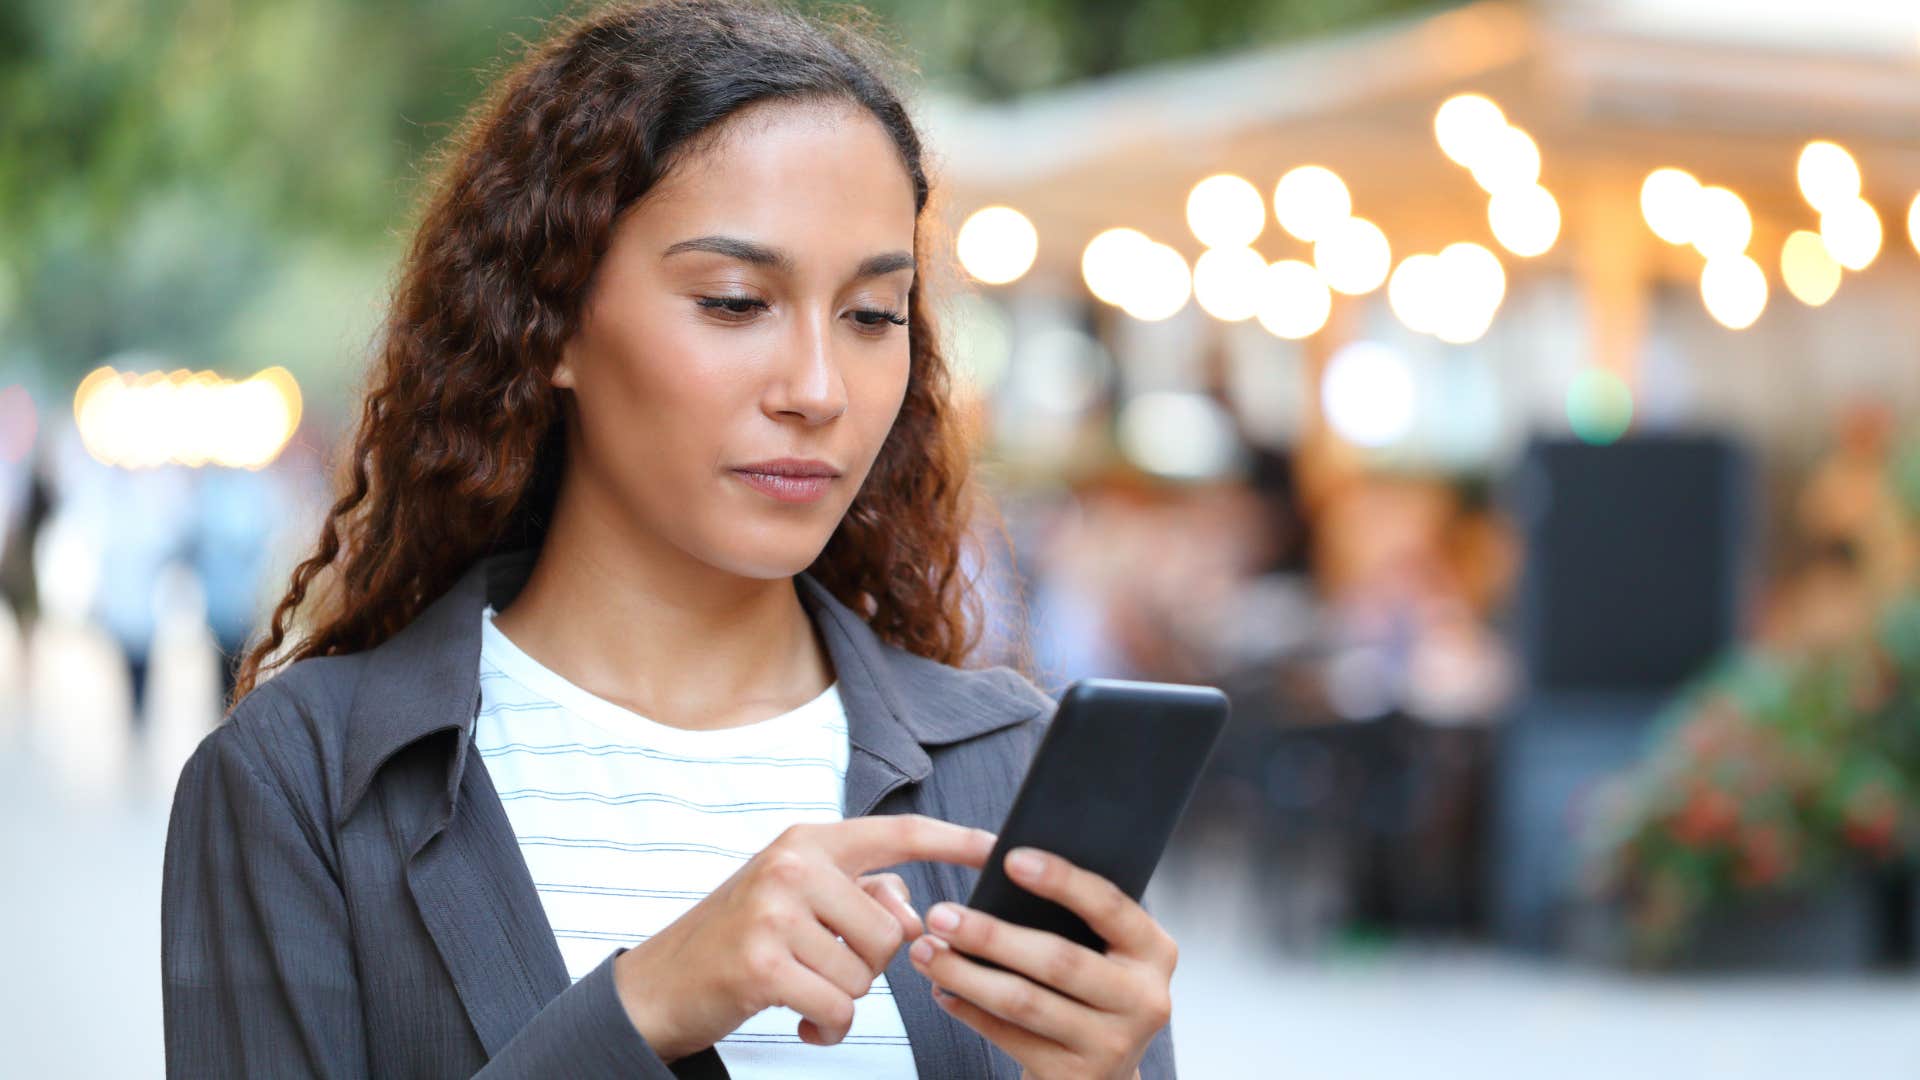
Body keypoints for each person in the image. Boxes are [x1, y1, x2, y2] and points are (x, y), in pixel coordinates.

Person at [159, 2, 1180, 1078]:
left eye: (874, 315)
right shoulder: (308, 783)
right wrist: (646, 1004)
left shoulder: (1004, 769)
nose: (819, 391)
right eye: (737, 303)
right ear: (548, 321)